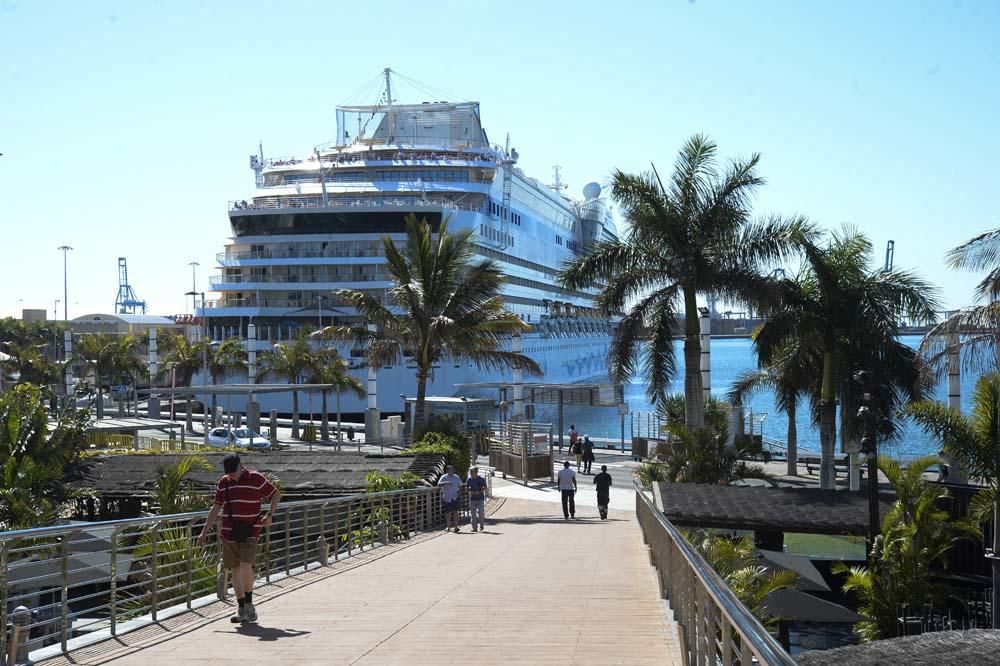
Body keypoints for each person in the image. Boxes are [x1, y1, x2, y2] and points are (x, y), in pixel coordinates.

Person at [197, 453, 281, 624]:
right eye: (229, 473)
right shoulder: (224, 482)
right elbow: (216, 507)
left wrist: (270, 515)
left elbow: (275, 494)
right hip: (229, 532)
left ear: (240, 465)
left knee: (245, 565)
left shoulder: (256, 478)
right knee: (234, 569)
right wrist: (205, 530)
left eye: (234, 472)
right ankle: (241, 607)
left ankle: (250, 604)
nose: (232, 476)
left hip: (251, 530)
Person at [438, 464, 463, 532]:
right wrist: (445, 483)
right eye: (449, 469)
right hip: (447, 497)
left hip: (455, 497)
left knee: (455, 512)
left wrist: (459, 493)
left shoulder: (456, 477)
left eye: (452, 469)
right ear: (447, 470)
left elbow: (460, 485)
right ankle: (448, 527)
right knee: (448, 513)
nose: (451, 471)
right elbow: (438, 485)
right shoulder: (443, 477)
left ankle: (456, 527)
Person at [466, 466, 487, 532]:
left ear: (476, 472)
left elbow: (485, 487)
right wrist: (471, 491)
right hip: (472, 498)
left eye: (473, 472)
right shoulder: (469, 479)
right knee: (473, 513)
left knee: (481, 512)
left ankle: (481, 525)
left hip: (480, 498)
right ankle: (474, 527)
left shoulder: (481, 479)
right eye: (471, 472)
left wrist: (480, 491)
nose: (471, 473)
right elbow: (467, 488)